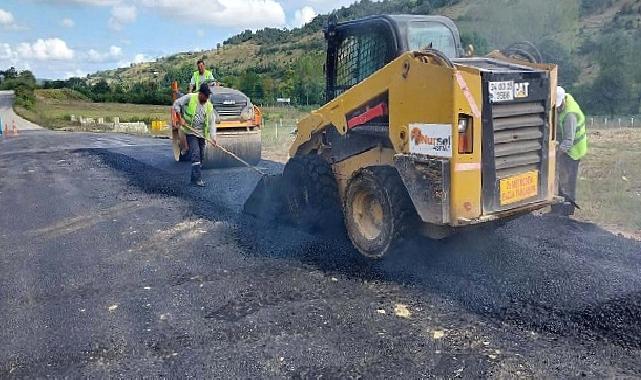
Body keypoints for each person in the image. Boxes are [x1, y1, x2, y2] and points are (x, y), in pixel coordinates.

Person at [553, 86, 587, 216]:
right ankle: (558, 208)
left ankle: (567, 212)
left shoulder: (569, 115)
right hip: (567, 148)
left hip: (573, 151)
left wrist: (555, 155)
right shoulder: (564, 99)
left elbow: (568, 141)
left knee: (568, 181)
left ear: (563, 101)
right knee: (561, 178)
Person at [173, 83, 216, 187]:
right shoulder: (190, 98)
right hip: (190, 131)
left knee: (201, 156)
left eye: (207, 97)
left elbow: (212, 122)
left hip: (201, 133)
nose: (206, 98)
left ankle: (193, 179)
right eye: (205, 96)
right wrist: (180, 118)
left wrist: (213, 137)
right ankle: (198, 179)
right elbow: (176, 104)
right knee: (195, 153)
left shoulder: (209, 106)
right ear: (200, 94)